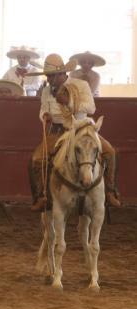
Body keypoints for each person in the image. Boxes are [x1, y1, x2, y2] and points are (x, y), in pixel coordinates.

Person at [26, 54, 120, 211]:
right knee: (36, 159)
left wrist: (69, 103)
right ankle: (40, 197)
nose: (49, 79)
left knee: (109, 152)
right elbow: (43, 110)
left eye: (51, 76)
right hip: (57, 130)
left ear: (62, 74)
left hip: (82, 128)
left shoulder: (81, 85)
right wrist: (44, 116)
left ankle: (110, 192)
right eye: (48, 76)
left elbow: (91, 108)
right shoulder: (46, 91)